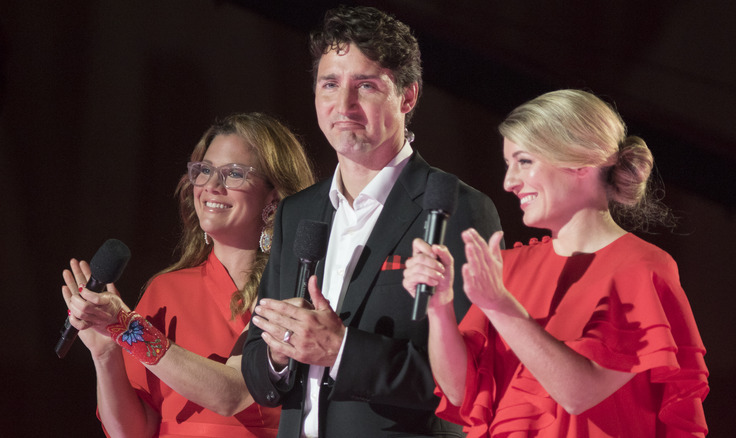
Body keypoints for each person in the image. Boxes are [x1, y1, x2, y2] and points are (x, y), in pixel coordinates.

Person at [241, 6, 503, 438]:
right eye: (330, 84)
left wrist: (341, 350)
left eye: (365, 85)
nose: (344, 105)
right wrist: (280, 355)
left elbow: (474, 379)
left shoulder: (457, 208)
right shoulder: (297, 212)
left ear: (408, 97)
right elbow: (257, 366)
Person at [403, 89, 710, 437]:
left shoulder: (641, 267)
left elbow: (579, 394)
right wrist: (439, 308)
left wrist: (501, 305)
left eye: (524, 161)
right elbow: (460, 392)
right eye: (508, 165)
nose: (509, 182)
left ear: (580, 160)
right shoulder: (510, 267)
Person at [61, 112, 316, 437]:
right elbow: (132, 432)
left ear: (273, 194)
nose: (211, 185)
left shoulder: (293, 289)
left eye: (234, 173)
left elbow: (231, 395)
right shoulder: (166, 290)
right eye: (205, 171)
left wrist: (127, 328)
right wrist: (105, 352)